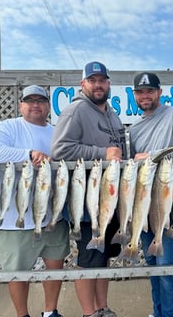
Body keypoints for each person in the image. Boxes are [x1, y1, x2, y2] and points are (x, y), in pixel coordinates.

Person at [0, 85, 70, 317]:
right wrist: (28, 154)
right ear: (20, 105)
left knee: (55, 265)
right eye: (29, 101)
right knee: (17, 273)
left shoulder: (57, 131)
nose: (35, 105)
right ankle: (22, 314)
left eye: (40, 101)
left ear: (48, 106)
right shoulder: (8, 127)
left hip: (53, 216)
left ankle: (50, 311)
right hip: (15, 220)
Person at [50, 61, 126, 317]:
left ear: (108, 84)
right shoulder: (76, 111)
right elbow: (59, 151)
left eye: (102, 80)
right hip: (86, 201)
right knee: (87, 259)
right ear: (82, 84)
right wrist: (102, 154)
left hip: (111, 199)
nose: (98, 85)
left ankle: (102, 308)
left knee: (103, 257)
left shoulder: (112, 115)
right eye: (92, 80)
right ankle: (88, 313)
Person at [129, 72, 173, 317]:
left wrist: (152, 155)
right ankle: (158, 312)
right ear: (134, 95)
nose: (145, 95)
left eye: (150, 91)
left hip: (169, 201)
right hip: (144, 205)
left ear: (159, 92)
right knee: (151, 265)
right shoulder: (135, 128)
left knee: (166, 266)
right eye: (140, 91)